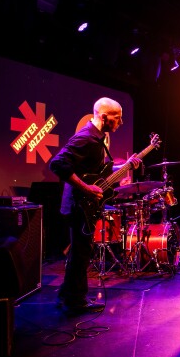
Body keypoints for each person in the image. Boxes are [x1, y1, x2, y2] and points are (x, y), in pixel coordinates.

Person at [49, 97, 141, 314]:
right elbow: (58, 164)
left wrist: (125, 166)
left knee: (80, 252)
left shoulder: (98, 139)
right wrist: (86, 188)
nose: (121, 122)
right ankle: (76, 301)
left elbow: (99, 173)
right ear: (103, 116)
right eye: (117, 117)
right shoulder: (87, 138)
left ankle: (67, 294)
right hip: (78, 204)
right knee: (81, 253)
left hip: (82, 205)